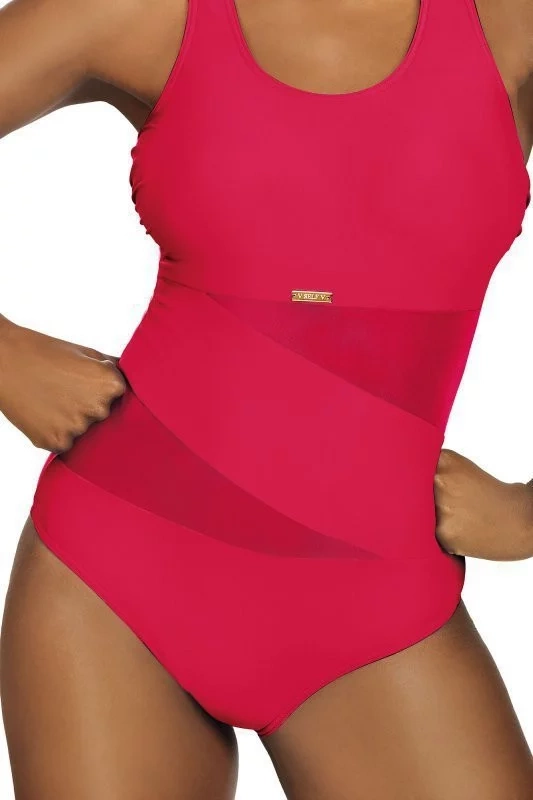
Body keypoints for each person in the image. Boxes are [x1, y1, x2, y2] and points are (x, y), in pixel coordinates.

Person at [0, 0, 533, 797]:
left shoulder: (510, 24)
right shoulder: (141, 10)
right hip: (117, 572)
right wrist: (4, 358)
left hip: (376, 600)